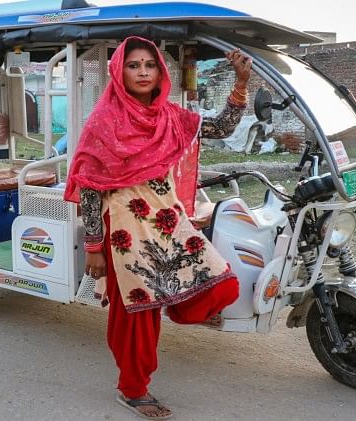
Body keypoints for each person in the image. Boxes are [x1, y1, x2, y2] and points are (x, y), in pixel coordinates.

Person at [64, 36, 251, 419]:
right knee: (135, 314)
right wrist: (95, 248)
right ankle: (133, 390)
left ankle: (176, 309)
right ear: (120, 71)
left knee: (223, 283)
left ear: (160, 71)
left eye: (150, 64)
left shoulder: (171, 116)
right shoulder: (104, 122)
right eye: (134, 65)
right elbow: (89, 188)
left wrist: (241, 84)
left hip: (168, 219)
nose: (143, 72)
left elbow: (219, 128)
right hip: (124, 229)